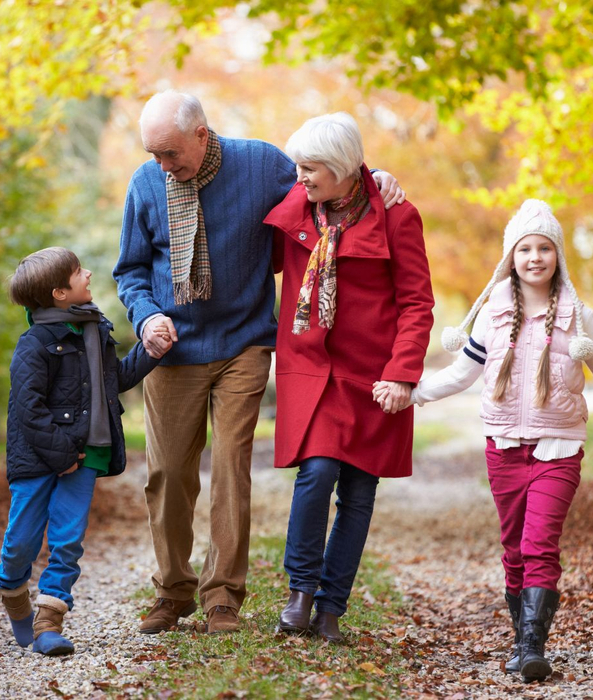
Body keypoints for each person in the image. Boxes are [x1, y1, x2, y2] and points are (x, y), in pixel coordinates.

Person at [113, 91, 404, 635]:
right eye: (153, 153)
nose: (162, 165)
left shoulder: (262, 164)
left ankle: (223, 595)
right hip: (171, 347)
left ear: (201, 135)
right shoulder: (146, 184)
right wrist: (147, 315)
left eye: (170, 153)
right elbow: (129, 270)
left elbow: (329, 181)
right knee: (169, 473)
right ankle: (173, 590)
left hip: (245, 341)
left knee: (229, 464)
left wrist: (375, 174)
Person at [378, 199, 593, 680]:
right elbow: (463, 373)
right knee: (515, 549)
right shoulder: (493, 313)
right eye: (526, 248)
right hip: (503, 446)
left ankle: (531, 647)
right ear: (511, 256)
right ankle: (522, 640)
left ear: (558, 255)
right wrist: (414, 392)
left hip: (558, 448)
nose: (536, 257)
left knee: (540, 543)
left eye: (545, 248)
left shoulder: (578, 317)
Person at [264, 112, 434, 643]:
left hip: (374, 376)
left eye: (312, 168)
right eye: (299, 166)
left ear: (341, 169)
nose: (301, 177)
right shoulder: (297, 205)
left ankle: (331, 610)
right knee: (316, 475)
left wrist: (403, 374)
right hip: (311, 370)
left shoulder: (397, 216)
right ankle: (301, 592)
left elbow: (416, 303)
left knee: (359, 493)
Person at [0, 247, 163, 656]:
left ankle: (49, 620)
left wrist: (150, 351)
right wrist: (62, 453)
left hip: (88, 454)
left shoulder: (95, 331)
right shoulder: (35, 343)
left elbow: (112, 381)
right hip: (39, 458)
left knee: (68, 540)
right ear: (59, 293)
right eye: (77, 272)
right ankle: (15, 595)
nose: (88, 273)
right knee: (21, 541)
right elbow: (28, 409)